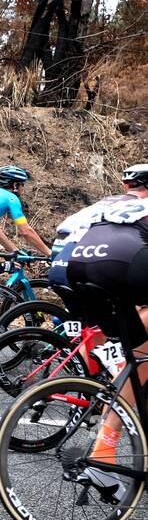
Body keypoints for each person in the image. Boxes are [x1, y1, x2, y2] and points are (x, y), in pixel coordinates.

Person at [47, 163, 148, 500]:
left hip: (71, 265)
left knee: (132, 348)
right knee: (144, 352)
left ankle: (116, 378)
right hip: (118, 262)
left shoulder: (113, 202)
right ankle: (106, 448)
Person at [0, 165, 52, 256]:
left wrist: (16, 251)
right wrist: (49, 253)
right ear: (15, 185)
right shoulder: (12, 198)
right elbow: (25, 231)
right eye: (22, 184)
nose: (23, 188)